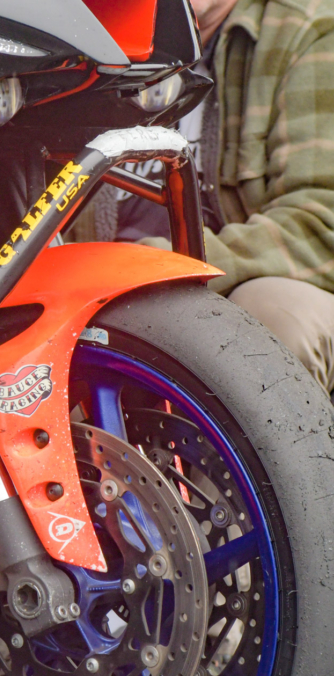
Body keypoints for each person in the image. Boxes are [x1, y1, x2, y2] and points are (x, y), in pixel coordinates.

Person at [68, 0, 334, 393]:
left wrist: (163, 268)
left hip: (232, 293)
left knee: (272, 316)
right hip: (100, 301)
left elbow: (320, 225)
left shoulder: (309, 29)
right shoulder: (78, 37)